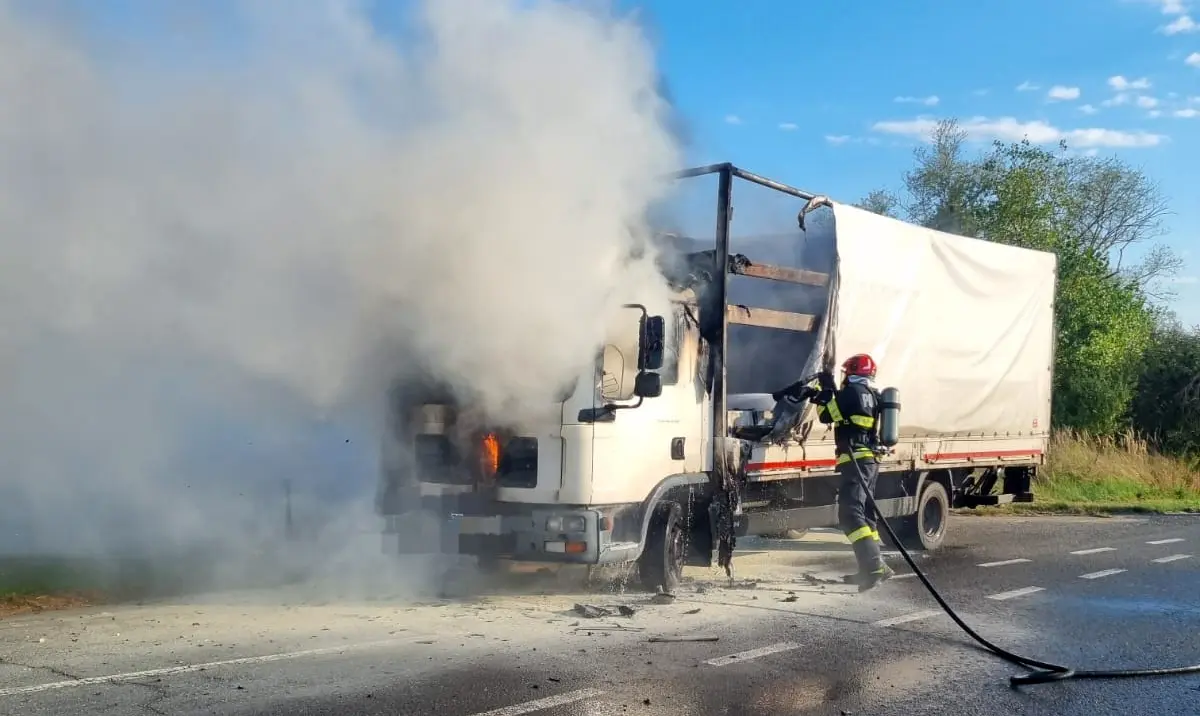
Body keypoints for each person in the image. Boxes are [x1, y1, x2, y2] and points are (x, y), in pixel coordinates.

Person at [771, 353, 894, 592]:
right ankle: (873, 567)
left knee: (851, 515)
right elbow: (848, 416)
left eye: (847, 373)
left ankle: (874, 566)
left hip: (856, 460)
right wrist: (826, 395)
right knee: (867, 516)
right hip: (869, 460)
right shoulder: (872, 395)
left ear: (853, 373)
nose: (845, 377)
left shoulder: (851, 393)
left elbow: (829, 416)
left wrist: (824, 397)